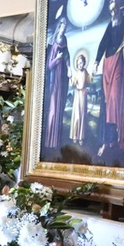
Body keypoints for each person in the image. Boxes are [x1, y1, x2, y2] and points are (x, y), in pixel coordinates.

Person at [94, 0, 124, 156]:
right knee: (108, 101)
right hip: (107, 63)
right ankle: (108, 140)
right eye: (111, 10)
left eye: (115, 8)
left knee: (115, 98)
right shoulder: (111, 24)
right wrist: (96, 61)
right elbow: (103, 43)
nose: (113, 12)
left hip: (118, 63)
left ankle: (118, 134)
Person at [45, 16, 70, 149]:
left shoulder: (64, 41)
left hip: (61, 79)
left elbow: (67, 57)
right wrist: (57, 59)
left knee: (59, 108)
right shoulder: (54, 44)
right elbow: (49, 65)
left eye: (65, 28)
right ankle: (50, 140)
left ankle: (57, 141)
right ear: (58, 28)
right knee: (53, 109)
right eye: (62, 27)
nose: (63, 30)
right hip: (54, 80)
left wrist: (69, 68)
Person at [69, 52, 92, 145]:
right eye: (78, 63)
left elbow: (89, 81)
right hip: (77, 95)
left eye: (81, 63)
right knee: (77, 115)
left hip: (83, 95)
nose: (80, 65)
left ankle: (81, 137)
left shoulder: (86, 72)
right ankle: (75, 136)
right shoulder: (76, 73)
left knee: (82, 115)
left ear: (84, 63)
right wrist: (71, 78)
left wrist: (92, 77)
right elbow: (73, 83)